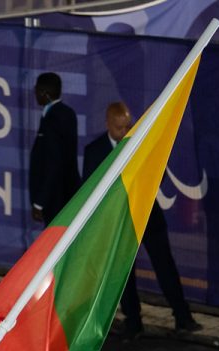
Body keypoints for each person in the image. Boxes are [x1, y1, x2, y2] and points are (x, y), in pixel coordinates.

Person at [83, 101, 200, 336]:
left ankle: (182, 316)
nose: (125, 132)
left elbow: (159, 174)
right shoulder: (94, 152)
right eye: (119, 128)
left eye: (128, 126)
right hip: (118, 222)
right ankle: (133, 321)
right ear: (108, 125)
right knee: (122, 273)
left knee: (165, 266)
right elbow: (90, 187)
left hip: (147, 215)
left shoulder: (142, 143)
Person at [28, 72, 80, 225]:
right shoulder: (67, 113)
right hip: (68, 195)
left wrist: (39, 202)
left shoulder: (52, 120)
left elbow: (53, 164)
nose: (35, 93)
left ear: (45, 93)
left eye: (36, 89)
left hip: (55, 200)